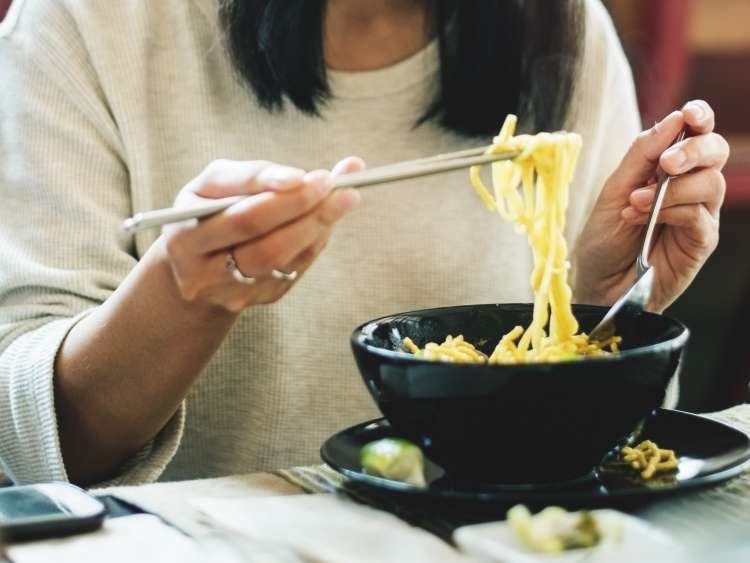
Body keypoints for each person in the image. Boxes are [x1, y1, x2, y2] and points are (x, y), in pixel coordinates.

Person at [0, 0, 728, 487]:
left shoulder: (558, 24)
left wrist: (605, 311)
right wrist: (182, 295)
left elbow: (612, 464)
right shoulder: (90, 22)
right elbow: (35, 442)